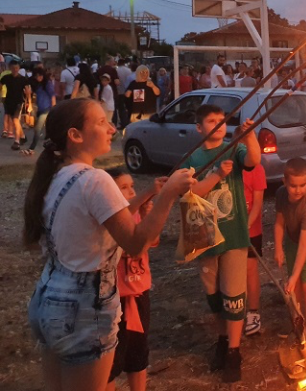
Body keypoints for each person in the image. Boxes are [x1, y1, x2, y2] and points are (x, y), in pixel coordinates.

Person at [24, 99, 193, 391]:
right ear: (75, 135)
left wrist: (150, 195)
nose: (112, 128)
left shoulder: (55, 176)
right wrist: (168, 194)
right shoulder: (95, 180)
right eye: (101, 122)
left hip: (49, 298)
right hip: (83, 307)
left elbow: (109, 219)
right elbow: (136, 243)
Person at [180, 104, 261, 383]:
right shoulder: (192, 158)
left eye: (221, 120)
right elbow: (190, 192)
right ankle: (222, 339)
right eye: (211, 121)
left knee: (234, 295)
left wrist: (249, 135)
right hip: (203, 236)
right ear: (199, 128)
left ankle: (234, 352)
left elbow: (253, 160)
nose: (218, 124)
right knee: (214, 295)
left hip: (234, 235)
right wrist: (216, 176)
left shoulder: (233, 148)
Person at [105, 170, 159, 391]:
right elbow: (126, 242)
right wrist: (149, 191)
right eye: (123, 187)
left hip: (138, 294)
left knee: (137, 353)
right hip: (114, 300)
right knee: (111, 360)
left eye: (132, 185)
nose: (131, 190)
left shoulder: (136, 214)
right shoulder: (109, 219)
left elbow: (152, 241)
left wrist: (148, 217)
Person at [274, 158, 306, 337]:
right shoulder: (281, 194)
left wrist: (295, 276)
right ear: (285, 182)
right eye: (293, 186)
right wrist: (278, 248)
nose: (298, 190)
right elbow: (280, 223)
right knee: (293, 288)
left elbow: (305, 245)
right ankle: (298, 322)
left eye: (302, 185)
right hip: (292, 238)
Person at [243, 160, 267, 336]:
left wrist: (246, 227)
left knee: (250, 270)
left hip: (250, 230)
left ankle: (253, 312)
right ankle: (234, 312)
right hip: (229, 231)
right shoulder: (228, 167)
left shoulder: (257, 169)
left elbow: (258, 203)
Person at [23, 67, 56, 156]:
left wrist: (54, 109)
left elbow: (52, 96)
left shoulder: (47, 84)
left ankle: (31, 148)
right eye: (37, 76)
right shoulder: (35, 84)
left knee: (38, 128)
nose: (39, 77)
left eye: (40, 75)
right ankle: (52, 144)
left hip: (46, 108)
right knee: (40, 128)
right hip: (38, 108)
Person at [1, 60, 30, 150]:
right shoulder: (6, 77)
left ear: (19, 68)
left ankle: (16, 141)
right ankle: (23, 137)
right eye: (13, 68)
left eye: (17, 68)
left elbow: (28, 91)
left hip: (19, 102)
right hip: (9, 101)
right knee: (15, 122)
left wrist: (29, 103)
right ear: (10, 68)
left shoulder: (23, 79)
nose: (15, 70)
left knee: (15, 120)